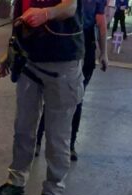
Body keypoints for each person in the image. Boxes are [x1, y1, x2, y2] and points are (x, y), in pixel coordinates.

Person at [0, 0, 85, 195]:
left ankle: (52, 192)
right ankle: (16, 183)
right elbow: (19, 18)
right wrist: (9, 52)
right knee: (23, 128)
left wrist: (46, 13)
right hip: (29, 62)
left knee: (56, 135)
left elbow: (70, 6)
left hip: (63, 63)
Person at [35, 0, 109, 161]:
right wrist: (103, 53)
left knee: (52, 96)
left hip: (65, 47)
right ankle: (69, 146)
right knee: (76, 99)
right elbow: (101, 24)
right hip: (79, 48)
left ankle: (38, 141)